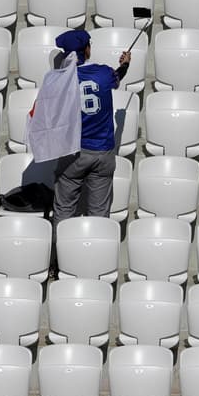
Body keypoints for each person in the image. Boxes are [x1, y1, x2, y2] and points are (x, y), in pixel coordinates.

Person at [48, 29, 130, 277]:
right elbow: (117, 77)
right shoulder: (104, 74)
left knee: (64, 211)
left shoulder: (62, 79)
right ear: (87, 50)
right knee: (99, 214)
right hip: (103, 153)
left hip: (74, 153)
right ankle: (96, 267)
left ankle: (59, 264)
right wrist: (124, 65)